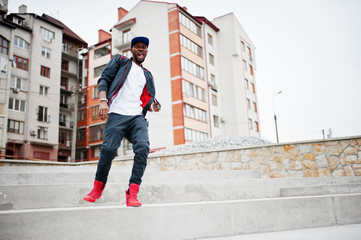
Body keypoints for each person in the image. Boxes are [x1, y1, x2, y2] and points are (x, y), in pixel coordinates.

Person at [83, 36, 161, 207]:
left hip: (136, 117)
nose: (141, 50)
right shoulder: (120, 61)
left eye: (144, 48)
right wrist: (103, 101)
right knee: (109, 149)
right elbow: (104, 79)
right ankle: (97, 188)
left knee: (143, 148)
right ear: (131, 49)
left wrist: (153, 105)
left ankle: (132, 193)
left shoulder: (147, 75)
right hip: (117, 114)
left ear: (146, 51)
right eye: (137, 47)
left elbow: (148, 99)